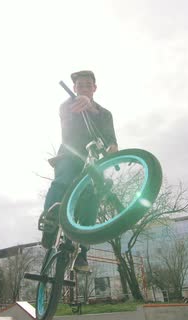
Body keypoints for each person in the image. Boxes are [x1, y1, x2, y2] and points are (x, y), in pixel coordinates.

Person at [41, 70, 118, 272]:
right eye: (80, 85)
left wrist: (112, 147)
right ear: (74, 88)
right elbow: (68, 120)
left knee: (92, 198)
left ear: (95, 88)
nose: (83, 88)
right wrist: (83, 103)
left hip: (93, 160)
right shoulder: (67, 105)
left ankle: (83, 253)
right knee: (63, 180)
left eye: (87, 85)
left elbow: (111, 138)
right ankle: (50, 219)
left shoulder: (105, 113)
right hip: (69, 153)